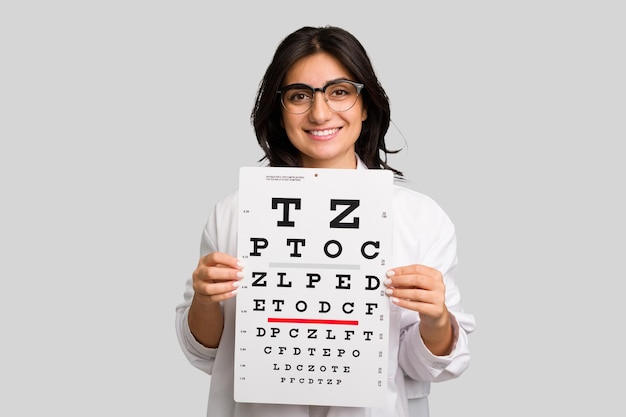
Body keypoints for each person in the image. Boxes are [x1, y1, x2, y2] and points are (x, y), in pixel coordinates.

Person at [175, 25, 476, 417]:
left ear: (365, 105)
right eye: (299, 95)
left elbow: (426, 367)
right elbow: (206, 352)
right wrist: (204, 298)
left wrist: (436, 318)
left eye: (339, 91)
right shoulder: (234, 212)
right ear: (279, 109)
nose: (319, 113)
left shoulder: (420, 217)